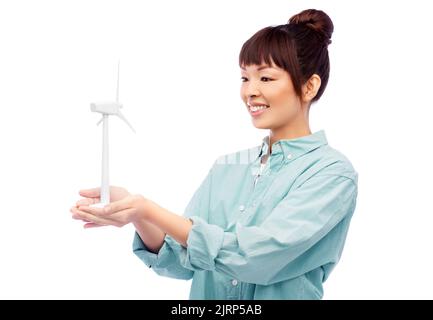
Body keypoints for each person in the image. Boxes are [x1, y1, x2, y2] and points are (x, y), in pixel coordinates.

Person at [71, 8, 358, 300]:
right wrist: (136, 214)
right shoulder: (228, 168)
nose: (250, 92)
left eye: (266, 79)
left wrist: (149, 209)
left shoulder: (331, 174)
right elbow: (180, 260)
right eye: (245, 78)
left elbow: (256, 258)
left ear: (309, 86)